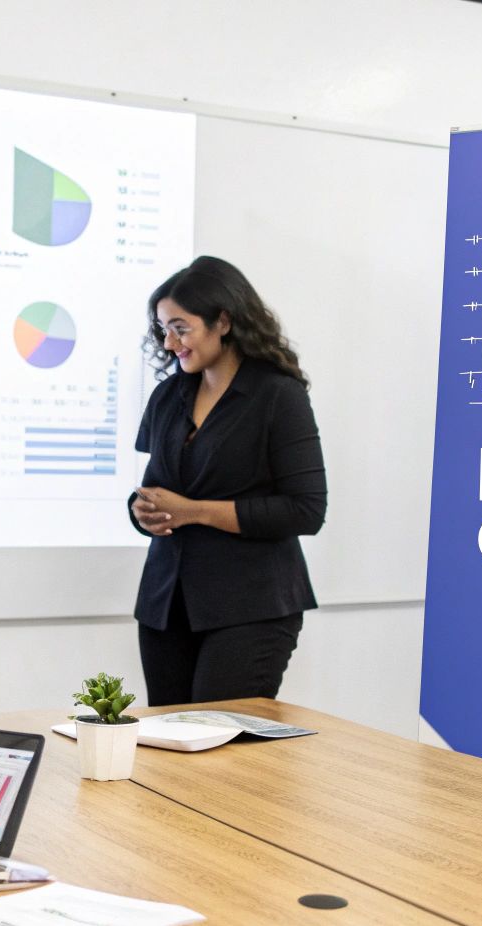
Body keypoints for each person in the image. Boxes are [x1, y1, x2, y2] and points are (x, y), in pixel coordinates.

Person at [130, 256, 327, 706]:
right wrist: (142, 510)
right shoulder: (169, 395)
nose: (169, 342)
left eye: (181, 327)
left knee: (220, 754)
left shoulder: (278, 395)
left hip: (251, 608)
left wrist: (192, 511)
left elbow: (306, 509)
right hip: (166, 605)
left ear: (223, 321)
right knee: (168, 750)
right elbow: (158, 485)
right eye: (163, 329)